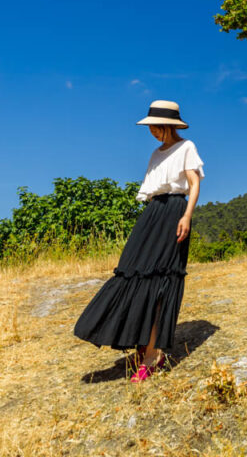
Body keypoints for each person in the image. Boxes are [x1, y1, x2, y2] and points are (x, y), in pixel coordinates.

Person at [74, 100, 204, 382]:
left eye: (154, 127)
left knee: (161, 280)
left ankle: (152, 355)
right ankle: (142, 343)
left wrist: (187, 216)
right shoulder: (156, 154)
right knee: (132, 272)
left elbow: (194, 184)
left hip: (174, 212)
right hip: (152, 213)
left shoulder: (187, 147)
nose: (151, 132)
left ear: (166, 125)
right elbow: (152, 189)